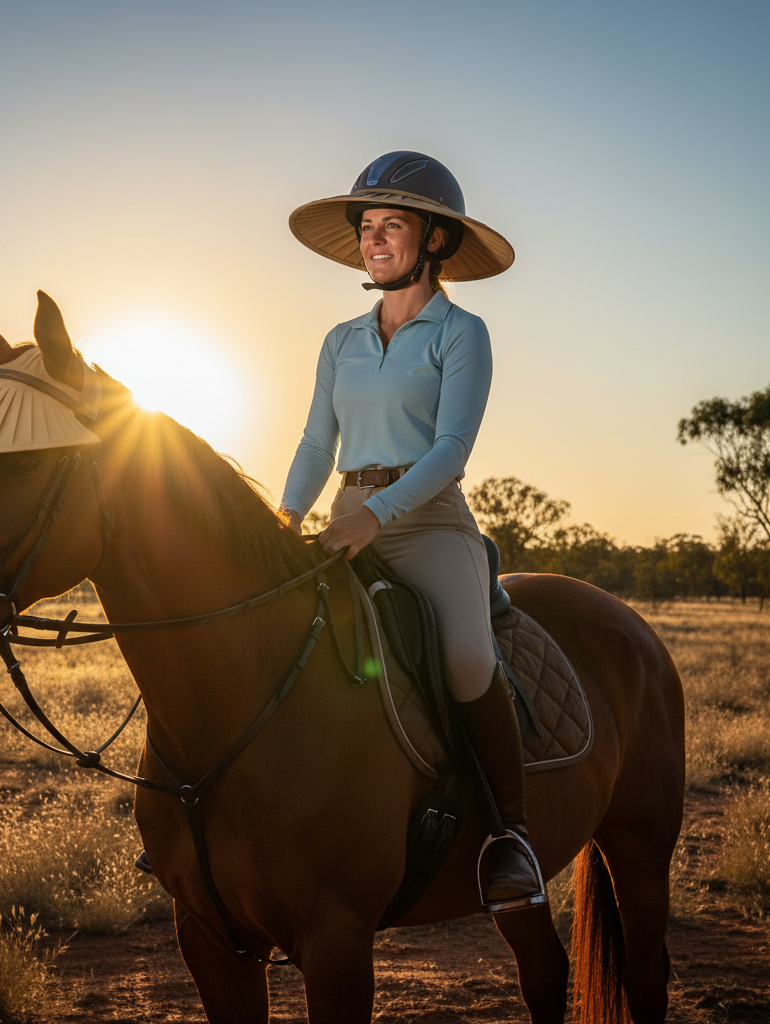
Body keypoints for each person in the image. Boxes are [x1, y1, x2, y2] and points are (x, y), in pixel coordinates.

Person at [281, 150, 541, 908]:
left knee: (464, 657)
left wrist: (377, 516)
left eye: (392, 225)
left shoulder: (462, 333)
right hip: (342, 520)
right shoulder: (340, 341)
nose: (374, 239)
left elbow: (452, 451)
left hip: (426, 522)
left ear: (433, 240)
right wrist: (286, 517)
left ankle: (512, 835)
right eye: (367, 226)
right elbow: (312, 446)